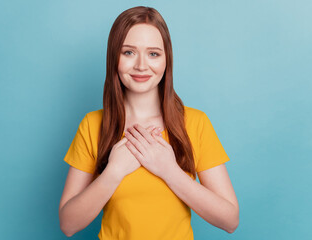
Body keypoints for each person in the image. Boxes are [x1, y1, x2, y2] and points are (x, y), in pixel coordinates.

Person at [59, 6, 239, 239]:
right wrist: (114, 172)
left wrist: (169, 171)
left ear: (167, 59)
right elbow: (68, 224)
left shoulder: (195, 123)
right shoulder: (93, 124)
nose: (141, 65)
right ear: (114, 56)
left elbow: (230, 220)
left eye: (153, 53)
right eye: (128, 52)